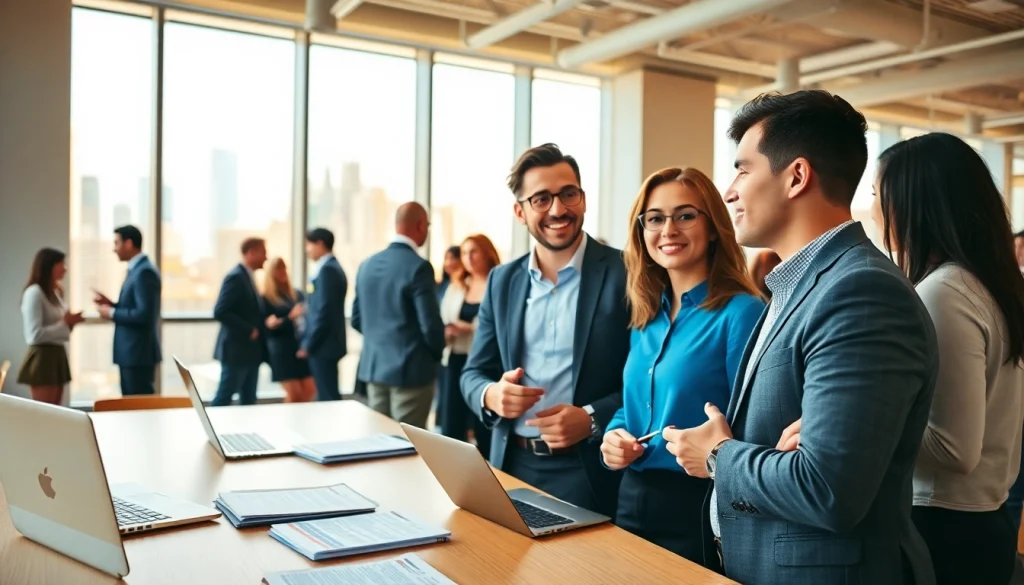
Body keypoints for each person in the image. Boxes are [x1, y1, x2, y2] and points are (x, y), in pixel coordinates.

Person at [661, 91, 938, 585]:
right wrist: (769, 456)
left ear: (796, 176)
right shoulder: (796, 288)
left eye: (743, 170)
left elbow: (828, 487)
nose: (729, 192)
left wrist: (718, 454)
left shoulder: (861, 292)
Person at [867, 133, 1024, 585]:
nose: (874, 210)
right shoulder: (984, 283)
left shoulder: (945, 292)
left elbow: (955, 450)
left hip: (945, 525)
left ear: (915, 200)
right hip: (977, 522)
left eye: (878, 193)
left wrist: (866, 422)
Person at [599, 167, 763, 569]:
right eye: (655, 218)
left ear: (712, 227)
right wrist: (612, 436)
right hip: (633, 494)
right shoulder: (645, 316)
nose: (668, 229)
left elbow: (758, 423)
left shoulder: (742, 312)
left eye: (685, 215)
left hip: (700, 500)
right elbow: (631, 404)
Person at [461, 143, 630, 517]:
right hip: (510, 465)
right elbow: (472, 373)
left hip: (589, 469)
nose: (558, 209)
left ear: (583, 199)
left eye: (568, 194)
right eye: (541, 199)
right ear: (520, 212)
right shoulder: (502, 281)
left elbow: (647, 380)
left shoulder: (627, 273)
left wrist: (590, 417)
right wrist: (491, 395)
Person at [352, 202, 444, 429]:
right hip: (411, 370)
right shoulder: (419, 267)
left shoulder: (367, 265)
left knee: (379, 442)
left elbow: (356, 318)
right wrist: (434, 355)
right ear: (421, 225)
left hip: (375, 368)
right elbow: (430, 326)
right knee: (409, 445)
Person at [438, 234, 500, 456]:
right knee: (452, 422)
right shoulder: (457, 286)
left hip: (486, 363)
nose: (468, 258)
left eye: (474, 251)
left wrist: (471, 329)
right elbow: (443, 316)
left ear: (487, 252)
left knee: (483, 425)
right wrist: (449, 329)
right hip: (455, 359)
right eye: (464, 252)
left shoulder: (497, 282)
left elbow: (498, 323)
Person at [94, 225, 162, 396]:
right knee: (131, 404)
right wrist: (112, 305)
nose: (114, 249)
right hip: (132, 354)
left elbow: (145, 315)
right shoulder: (137, 270)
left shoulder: (144, 272)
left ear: (129, 243)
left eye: (116, 243)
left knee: (138, 406)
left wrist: (111, 313)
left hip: (137, 354)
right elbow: (136, 307)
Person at [18, 248, 84, 405]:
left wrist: (70, 323)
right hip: (43, 359)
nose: (65, 269)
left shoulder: (56, 292)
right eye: (61, 264)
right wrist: (65, 323)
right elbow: (33, 335)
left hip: (57, 354)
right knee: (45, 413)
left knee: (56, 411)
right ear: (49, 266)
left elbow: (61, 328)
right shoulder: (34, 293)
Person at [211, 238, 268, 407]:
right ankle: (211, 431)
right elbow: (220, 311)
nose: (266, 257)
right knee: (224, 396)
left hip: (249, 352)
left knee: (248, 400)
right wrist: (248, 329)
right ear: (251, 252)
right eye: (263, 252)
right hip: (236, 351)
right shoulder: (236, 277)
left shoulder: (247, 277)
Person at [300, 228, 347, 401]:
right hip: (326, 344)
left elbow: (323, 312)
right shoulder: (329, 268)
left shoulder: (328, 270)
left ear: (320, 243)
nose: (307, 249)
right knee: (325, 394)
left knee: (328, 397)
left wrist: (309, 344)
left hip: (323, 346)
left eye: (309, 244)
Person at [262, 257, 315, 403]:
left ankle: (300, 421)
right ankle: (289, 422)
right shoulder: (266, 298)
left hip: (299, 346)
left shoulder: (296, 294)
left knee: (310, 388)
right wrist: (289, 317)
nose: (282, 272)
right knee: (294, 392)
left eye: (284, 268)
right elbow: (268, 327)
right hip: (281, 349)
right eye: (278, 269)